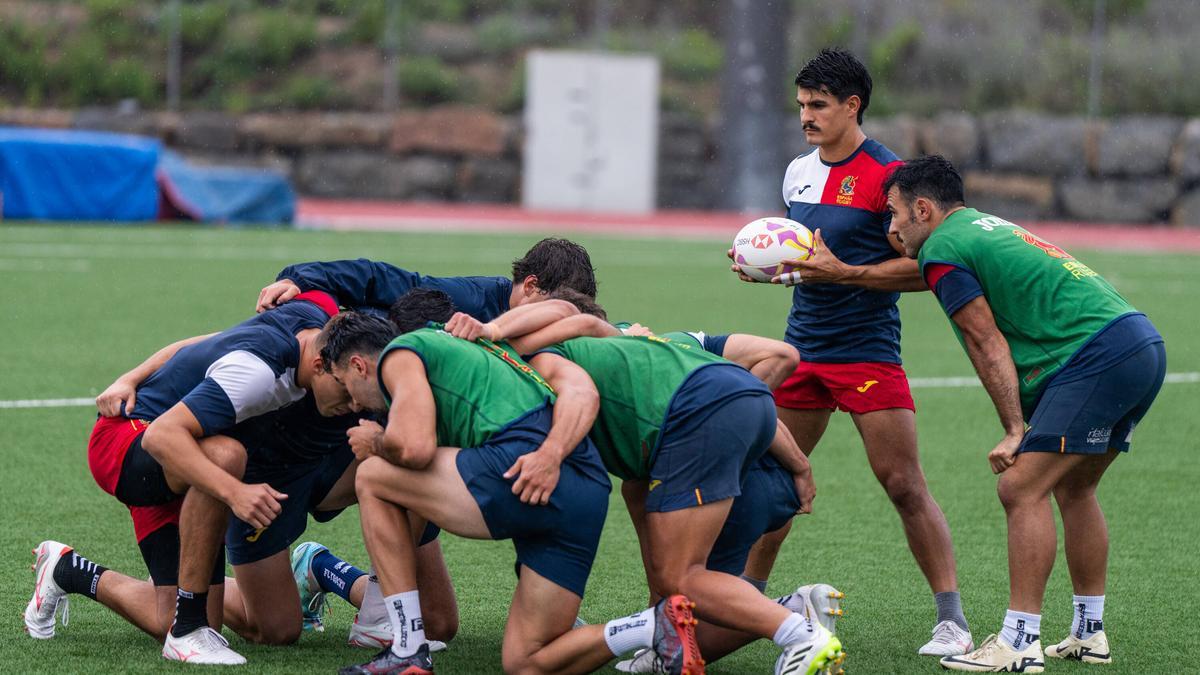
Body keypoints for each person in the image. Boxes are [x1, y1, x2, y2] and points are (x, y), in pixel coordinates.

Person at [442, 300, 843, 675]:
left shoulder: (529, 356)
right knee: (689, 616)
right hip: (738, 413)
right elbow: (742, 395)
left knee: (681, 578)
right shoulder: (621, 354)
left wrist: (491, 329)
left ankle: (801, 636)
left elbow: (569, 313)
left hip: (703, 417)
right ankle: (795, 611)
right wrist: (800, 466)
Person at [728, 47, 971, 656]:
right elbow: (809, 257)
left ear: (852, 105)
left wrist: (848, 275)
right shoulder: (797, 172)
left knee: (902, 483)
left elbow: (924, 268)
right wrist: (769, 268)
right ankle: (743, 602)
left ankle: (952, 621)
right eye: (802, 105)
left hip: (866, 352)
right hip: (799, 349)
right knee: (773, 479)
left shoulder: (894, 177)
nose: (806, 116)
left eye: (818, 105)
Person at [884, 155, 1166, 672]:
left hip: (1098, 355)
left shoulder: (943, 248)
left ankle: (1019, 641)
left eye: (895, 214)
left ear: (923, 209)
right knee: (1073, 487)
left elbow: (985, 340)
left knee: (1020, 487)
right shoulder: (976, 227)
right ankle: (1088, 632)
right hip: (1138, 343)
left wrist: (1016, 429)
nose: (892, 227)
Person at [320, 310, 702, 675]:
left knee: (372, 475)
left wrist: (377, 441)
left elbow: (415, 448)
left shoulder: (399, 354)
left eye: (345, 386)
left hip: (523, 459)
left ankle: (406, 648)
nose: (353, 404)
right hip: (584, 486)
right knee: (527, 662)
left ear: (358, 365)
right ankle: (651, 625)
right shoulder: (465, 346)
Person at [25, 292, 355, 665]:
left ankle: (67, 570)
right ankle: (188, 631)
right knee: (227, 456)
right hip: (132, 440)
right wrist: (235, 492)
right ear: (321, 361)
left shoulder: (317, 328)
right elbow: (161, 437)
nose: (355, 402)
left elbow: (205, 345)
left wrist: (132, 375)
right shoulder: (261, 366)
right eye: (346, 388)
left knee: (181, 617)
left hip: (184, 461)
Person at [255, 237, 597, 317]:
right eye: (557, 307)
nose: (560, 319)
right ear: (532, 285)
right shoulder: (469, 301)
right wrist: (300, 279)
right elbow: (382, 278)